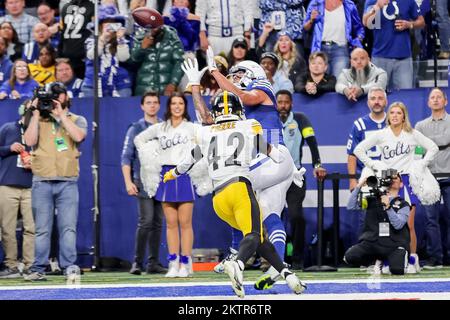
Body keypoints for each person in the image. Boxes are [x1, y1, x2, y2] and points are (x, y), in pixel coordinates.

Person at [163, 91, 307, 298]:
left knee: (258, 238)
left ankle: (288, 275)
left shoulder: (206, 132)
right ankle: (237, 264)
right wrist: (287, 164)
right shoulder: (248, 125)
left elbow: (190, 159)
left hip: (218, 199)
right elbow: (271, 152)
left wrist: (173, 173)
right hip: (239, 189)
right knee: (253, 235)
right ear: (239, 110)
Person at [182, 49, 305, 285]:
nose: (233, 78)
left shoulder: (262, 91)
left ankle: (234, 253)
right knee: (267, 214)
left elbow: (242, 95)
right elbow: (208, 120)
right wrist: (196, 86)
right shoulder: (235, 105)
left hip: (273, 157)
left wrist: (216, 72)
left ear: (251, 74)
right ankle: (278, 267)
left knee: (236, 188)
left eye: (237, 74)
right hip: (265, 164)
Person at [354, 101, 440, 273]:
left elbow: (433, 147)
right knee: (385, 225)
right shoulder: (382, 134)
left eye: (398, 113)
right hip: (386, 181)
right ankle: (384, 261)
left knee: (408, 225)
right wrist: (376, 165)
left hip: (407, 181)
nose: (394, 115)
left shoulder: (412, 134)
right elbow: (358, 150)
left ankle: (413, 259)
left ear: (404, 116)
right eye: (392, 112)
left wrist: (421, 164)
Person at [23, 82, 87, 281]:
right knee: (41, 229)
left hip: (67, 182)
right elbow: (30, 141)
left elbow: (79, 136)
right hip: (42, 181)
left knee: (68, 227)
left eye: (58, 97)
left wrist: (60, 116)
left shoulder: (77, 119)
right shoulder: (37, 120)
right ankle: (38, 268)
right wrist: (34, 115)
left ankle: (69, 266)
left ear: (65, 99)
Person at [134, 93, 199, 278]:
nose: (177, 107)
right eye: (174, 103)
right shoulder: (160, 128)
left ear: (185, 107)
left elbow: (203, 147)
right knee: (170, 224)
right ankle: (173, 263)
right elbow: (139, 140)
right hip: (166, 175)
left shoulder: (192, 128)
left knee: (185, 223)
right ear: (169, 106)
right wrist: (150, 158)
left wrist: (192, 162)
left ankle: (186, 263)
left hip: (185, 175)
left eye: (180, 103)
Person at [274, 89, 326, 271]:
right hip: (273, 178)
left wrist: (317, 165)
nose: (282, 106)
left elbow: (312, 142)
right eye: (279, 102)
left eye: (286, 102)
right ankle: (274, 259)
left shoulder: (301, 119)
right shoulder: (271, 121)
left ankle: (297, 259)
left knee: (296, 217)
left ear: (291, 104)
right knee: (273, 218)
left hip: (295, 175)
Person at [121, 92, 166, 275]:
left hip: (163, 181)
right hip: (144, 181)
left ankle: (153, 263)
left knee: (158, 223)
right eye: (148, 103)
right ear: (142, 106)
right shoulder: (136, 128)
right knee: (146, 221)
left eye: (155, 102)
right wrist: (128, 182)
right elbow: (126, 157)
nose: (152, 106)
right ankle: (137, 263)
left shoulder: (165, 127)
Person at [344, 173, 411, 275]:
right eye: (390, 178)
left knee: (398, 270)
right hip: (373, 242)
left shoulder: (403, 204)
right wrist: (359, 186)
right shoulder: (372, 200)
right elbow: (351, 206)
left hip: (394, 244)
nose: (392, 179)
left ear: (401, 184)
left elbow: (398, 225)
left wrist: (388, 206)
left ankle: (387, 262)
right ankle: (374, 262)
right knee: (350, 257)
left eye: (396, 177)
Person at [415, 88, 450, 268]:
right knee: (430, 220)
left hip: (449, 176)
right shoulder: (420, 126)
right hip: (429, 178)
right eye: (432, 98)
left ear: (445, 101)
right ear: (428, 103)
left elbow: (445, 139)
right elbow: (418, 150)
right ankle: (435, 259)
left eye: (439, 97)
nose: (435, 100)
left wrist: (428, 141)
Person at [0, 100, 34, 278]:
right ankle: (11, 265)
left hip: (31, 185)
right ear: (23, 110)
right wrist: (8, 148)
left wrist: (35, 162)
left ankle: (30, 265)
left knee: (31, 228)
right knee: (7, 228)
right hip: (7, 185)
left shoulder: (38, 132)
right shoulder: (8, 128)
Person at [363, 0, 425, 90]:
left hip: (403, 57)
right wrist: (376, 7)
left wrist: (409, 25)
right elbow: (366, 23)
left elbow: (421, 21)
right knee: (376, 95)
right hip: (380, 57)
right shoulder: (372, 1)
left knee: (405, 97)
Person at [303, 0, 365, 78]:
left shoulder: (349, 5)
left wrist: (358, 41)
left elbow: (359, 29)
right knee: (321, 83)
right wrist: (311, 20)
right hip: (320, 49)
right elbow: (306, 28)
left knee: (339, 82)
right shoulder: (315, 3)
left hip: (341, 50)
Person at [130, 8, 184, 96]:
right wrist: (142, 48)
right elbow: (132, 61)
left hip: (165, 89)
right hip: (144, 89)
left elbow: (179, 62)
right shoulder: (139, 36)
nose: (154, 29)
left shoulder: (171, 36)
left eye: (156, 26)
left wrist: (173, 83)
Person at [82, 4, 131, 97]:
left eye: (113, 22)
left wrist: (120, 39)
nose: (110, 25)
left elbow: (123, 58)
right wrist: (102, 38)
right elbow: (92, 56)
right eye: (106, 22)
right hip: (93, 85)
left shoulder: (123, 40)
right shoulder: (91, 40)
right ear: (100, 25)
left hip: (119, 85)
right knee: (90, 111)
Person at [59, 0, 95, 79]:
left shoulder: (93, 7)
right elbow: (62, 32)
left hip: (83, 57)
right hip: (70, 57)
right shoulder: (65, 7)